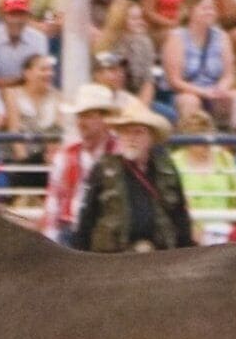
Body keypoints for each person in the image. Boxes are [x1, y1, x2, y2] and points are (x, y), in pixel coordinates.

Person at [72, 93, 191, 251]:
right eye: (125, 132)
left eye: (138, 132)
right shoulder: (103, 169)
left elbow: (180, 218)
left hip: (159, 255)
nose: (131, 138)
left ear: (151, 137)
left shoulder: (167, 170)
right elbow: (87, 220)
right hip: (113, 257)